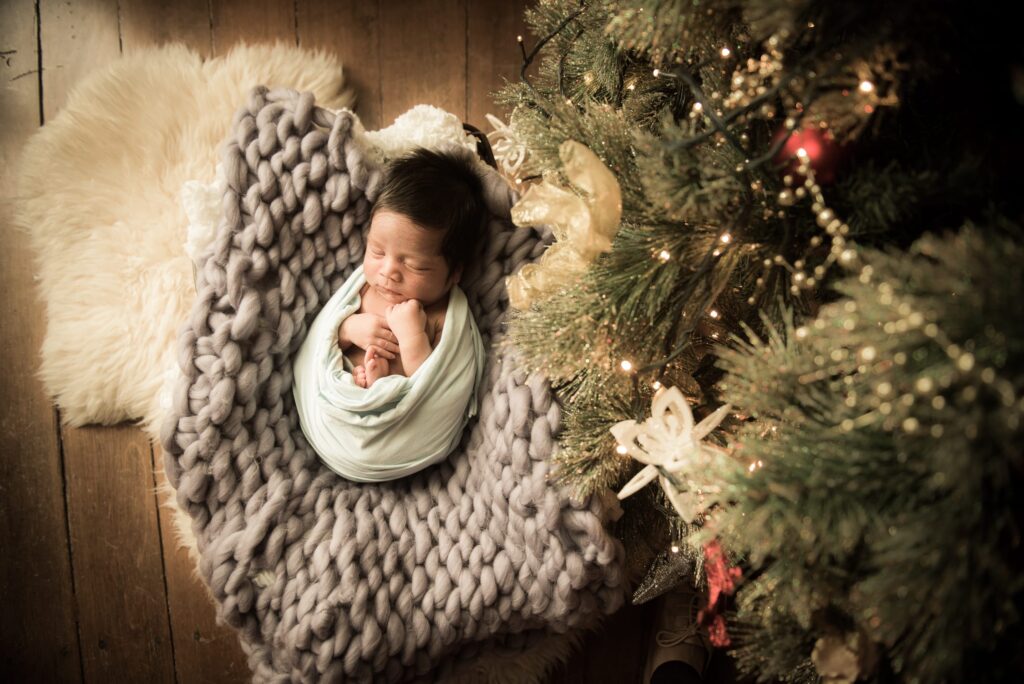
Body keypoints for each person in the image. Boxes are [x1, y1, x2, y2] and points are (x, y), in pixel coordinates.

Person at [290, 146, 489, 482]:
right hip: (332, 413)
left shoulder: (442, 315)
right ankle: (371, 385)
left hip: (394, 439)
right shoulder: (365, 288)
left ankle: (380, 385)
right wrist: (349, 328)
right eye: (377, 251)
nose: (388, 272)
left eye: (413, 265)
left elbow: (432, 386)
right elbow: (321, 336)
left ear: (454, 273)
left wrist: (412, 337)